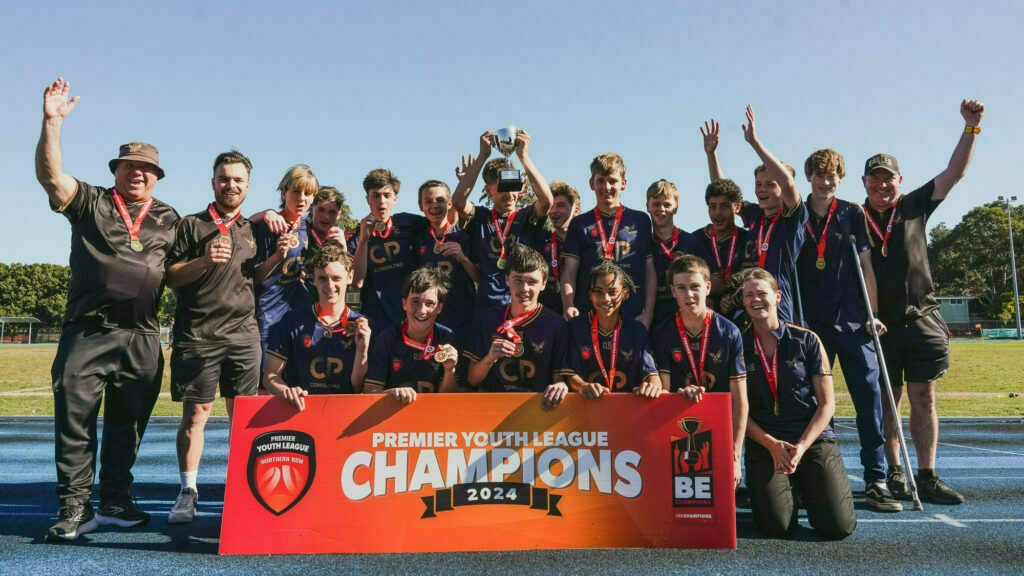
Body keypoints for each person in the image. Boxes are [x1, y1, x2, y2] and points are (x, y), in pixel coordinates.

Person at [36, 78, 179, 540]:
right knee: (75, 421)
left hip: (142, 336)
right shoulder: (92, 201)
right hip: (88, 332)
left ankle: (116, 498)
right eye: (129, 166)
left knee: (127, 427)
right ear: (116, 169)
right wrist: (52, 123)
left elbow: (187, 268)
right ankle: (75, 507)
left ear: (157, 176)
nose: (137, 173)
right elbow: (51, 177)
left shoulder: (170, 218)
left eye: (146, 169)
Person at [863, 99, 985, 505]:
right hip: (879, 324)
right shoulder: (851, 216)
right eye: (875, 179)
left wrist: (971, 127)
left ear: (900, 180)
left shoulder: (914, 205)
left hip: (921, 318)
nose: (882, 185)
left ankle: (928, 474)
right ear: (864, 182)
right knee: (887, 401)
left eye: (888, 179)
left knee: (924, 397)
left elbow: (955, 173)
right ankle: (895, 473)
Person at [795, 148, 898, 511]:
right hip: (811, 325)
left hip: (852, 320)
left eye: (833, 176)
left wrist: (873, 313)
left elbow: (866, 266)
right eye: (820, 176)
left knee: (869, 400)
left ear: (841, 178)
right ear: (809, 177)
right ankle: (811, 477)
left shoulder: (852, 213)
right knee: (810, 403)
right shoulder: (797, 212)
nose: (826, 182)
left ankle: (876, 479)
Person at [164, 150, 261, 524]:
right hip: (199, 335)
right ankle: (188, 491)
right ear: (213, 182)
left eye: (238, 179)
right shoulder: (190, 225)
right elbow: (170, 277)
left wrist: (279, 259)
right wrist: (205, 259)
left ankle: (241, 489)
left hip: (243, 336)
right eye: (224, 178)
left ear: (248, 185)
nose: (230, 185)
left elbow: (258, 279)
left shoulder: (256, 229)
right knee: (195, 417)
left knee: (243, 420)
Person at [739, 268, 856, 540]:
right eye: (748, 295)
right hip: (766, 441)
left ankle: (805, 482)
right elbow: (738, 411)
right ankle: (790, 485)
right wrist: (771, 444)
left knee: (838, 527)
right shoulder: (738, 344)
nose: (756, 299)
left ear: (778, 297)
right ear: (743, 301)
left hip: (812, 439)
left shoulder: (807, 339)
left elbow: (827, 404)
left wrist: (801, 447)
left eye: (762, 293)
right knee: (775, 527)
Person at [650, 255, 748, 489]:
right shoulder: (662, 333)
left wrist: (735, 457)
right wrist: (679, 394)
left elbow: (740, 399)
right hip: (677, 420)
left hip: (719, 424)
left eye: (695, 287)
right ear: (672, 291)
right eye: (681, 288)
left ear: (707, 287)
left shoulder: (729, 332)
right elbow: (662, 392)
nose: (689, 294)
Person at [707, 107, 806, 324]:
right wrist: (711, 154)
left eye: (771, 184)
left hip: (776, 302)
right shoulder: (755, 214)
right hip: (745, 300)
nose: (762, 189)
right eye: (758, 184)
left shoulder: (792, 217)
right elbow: (724, 191)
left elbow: (788, 183)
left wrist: (754, 143)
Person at [452, 129, 553, 310]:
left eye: (512, 186)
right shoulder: (480, 217)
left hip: (522, 306)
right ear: (488, 190)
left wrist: (524, 156)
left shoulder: (526, 217)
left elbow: (546, 201)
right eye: (501, 188)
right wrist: (483, 156)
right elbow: (458, 201)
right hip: (487, 307)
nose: (508, 194)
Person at [263, 245, 371, 410]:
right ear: (313, 279)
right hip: (301, 410)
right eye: (322, 278)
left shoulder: (363, 326)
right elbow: (270, 376)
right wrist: (286, 391)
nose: (329, 285)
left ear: (350, 277)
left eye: (336, 278)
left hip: (344, 412)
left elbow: (358, 389)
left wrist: (362, 351)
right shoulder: (292, 319)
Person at [465, 244, 568, 409]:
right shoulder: (488, 318)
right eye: (518, 280)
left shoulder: (556, 324)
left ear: (543, 284)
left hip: (537, 411)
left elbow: (559, 379)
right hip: (493, 410)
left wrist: (561, 386)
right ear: (507, 279)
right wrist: (489, 359)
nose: (524, 289)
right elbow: (472, 379)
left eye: (532, 282)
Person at [560, 153, 657, 328]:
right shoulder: (579, 223)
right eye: (601, 180)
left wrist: (648, 314)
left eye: (612, 181)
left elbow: (650, 271)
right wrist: (569, 306)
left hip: (632, 314)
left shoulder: (641, 220)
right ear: (592, 183)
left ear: (623, 183)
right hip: (588, 314)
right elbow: (569, 272)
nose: (606, 187)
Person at [560, 261, 660, 397]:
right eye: (598, 292)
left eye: (612, 292)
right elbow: (570, 375)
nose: (606, 299)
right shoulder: (576, 326)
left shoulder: (637, 329)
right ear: (590, 294)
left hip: (628, 410)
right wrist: (582, 386)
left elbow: (652, 374)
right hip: (587, 407)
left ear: (624, 294)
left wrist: (652, 386)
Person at [253, 165, 319, 364]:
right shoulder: (267, 225)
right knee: (265, 383)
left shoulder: (309, 229)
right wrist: (276, 257)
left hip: (297, 312)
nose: (302, 198)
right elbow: (251, 277)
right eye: (296, 192)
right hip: (267, 312)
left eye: (308, 193)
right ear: (284, 193)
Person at [364, 267, 459, 400]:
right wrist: (391, 393)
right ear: (404, 304)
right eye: (415, 301)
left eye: (430, 303)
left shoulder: (446, 337)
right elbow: (368, 392)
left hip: (433, 417)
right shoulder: (386, 338)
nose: (421, 310)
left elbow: (451, 400)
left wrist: (450, 370)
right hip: (395, 417)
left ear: (439, 308)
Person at [352, 168, 428, 329]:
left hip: (411, 316)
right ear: (367, 199)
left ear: (395, 198)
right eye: (376, 195)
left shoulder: (410, 223)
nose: (381, 201)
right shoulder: (356, 237)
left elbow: (442, 221)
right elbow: (355, 281)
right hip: (376, 320)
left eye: (387, 195)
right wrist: (364, 238)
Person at [412, 180, 478, 349]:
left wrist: (463, 258)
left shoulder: (465, 237)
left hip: (462, 319)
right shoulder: (416, 238)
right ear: (421, 206)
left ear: (449, 204)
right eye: (428, 201)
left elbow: (480, 277)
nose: (434, 205)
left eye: (440, 200)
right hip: (427, 320)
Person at [696, 119, 749, 312]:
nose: (718, 213)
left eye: (725, 206)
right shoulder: (695, 239)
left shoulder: (747, 239)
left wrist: (736, 299)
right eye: (713, 206)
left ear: (736, 208)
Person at [646, 179, 704, 323]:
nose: (661, 209)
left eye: (667, 204)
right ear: (647, 206)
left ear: (676, 207)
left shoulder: (691, 241)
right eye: (656, 204)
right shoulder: (642, 243)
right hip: (654, 320)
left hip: (687, 319)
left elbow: (710, 279)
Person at [538, 181, 580, 314]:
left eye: (560, 206)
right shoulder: (542, 241)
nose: (554, 211)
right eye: (551, 206)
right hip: (549, 316)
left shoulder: (586, 244)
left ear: (575, 210)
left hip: (580, 314)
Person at [306, 186, 349, 253]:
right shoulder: (299, 235)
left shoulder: (344, 241)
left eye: (332, 212)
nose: (326, 216)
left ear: (338, 215)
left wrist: (343, 250)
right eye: (321, 210)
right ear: (311, 209)